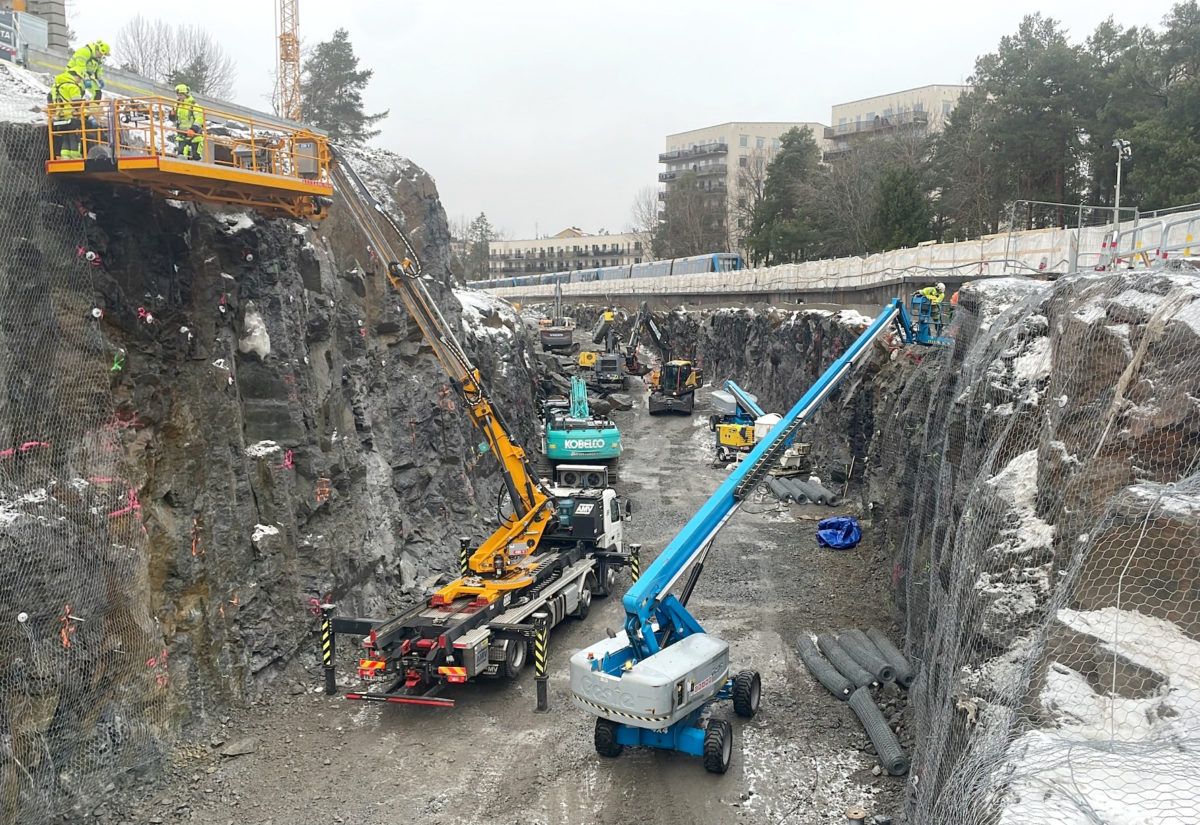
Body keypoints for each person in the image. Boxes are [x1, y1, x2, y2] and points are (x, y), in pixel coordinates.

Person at [49, 71, 87, 159]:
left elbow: (50, 100)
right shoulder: (73, 87)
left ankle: (65, 156)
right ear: (75, 76)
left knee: (65, 137)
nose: (80, 81)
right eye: (79, 78)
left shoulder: (56, 87)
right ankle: (75, 156)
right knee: (75, 137)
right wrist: (85, 113)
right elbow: (77, 103)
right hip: (72, 116)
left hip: (60, 117)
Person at [170, 84, 205, 161]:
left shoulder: (193, 105)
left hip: (194, 134)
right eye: (178, 95)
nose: (180, 97)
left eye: (181, 95)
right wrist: (171, 115)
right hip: (182, 133)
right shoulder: (177, 105)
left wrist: (193, 129)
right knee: (181, 154)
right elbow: (174, 119)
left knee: (196, 156)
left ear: (186, 94)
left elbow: (199, 118)